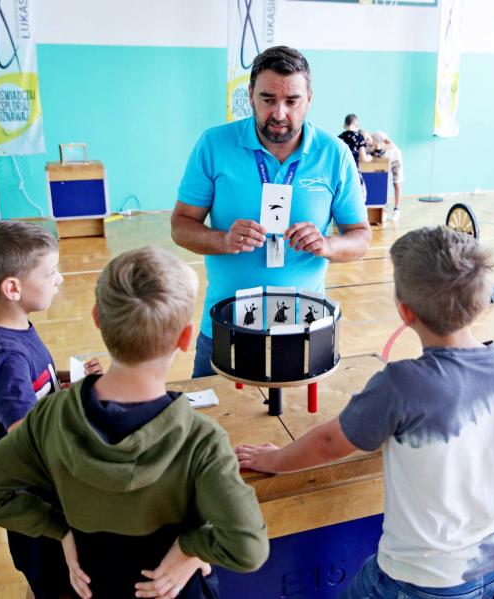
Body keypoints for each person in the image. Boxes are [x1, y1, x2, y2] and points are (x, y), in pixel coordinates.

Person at [0, 245, 270, 599]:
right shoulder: (202, 441)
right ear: (184, 338)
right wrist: (190, 548)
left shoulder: (49, 417)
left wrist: (59, 529)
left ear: (97, 319)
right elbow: (248, 549)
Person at [236, 227, 494, 599]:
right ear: (483, 300)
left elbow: (329, 443)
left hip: (426, 580)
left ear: (405, 312)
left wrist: (274, 459)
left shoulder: (402, 384)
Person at [171, 45, 371, 378]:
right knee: (216, 412)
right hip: (226, 327)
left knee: (300, 415)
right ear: (250, 95)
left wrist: (327, 245)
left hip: (305, 331)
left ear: (309, 99)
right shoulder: (214, 145)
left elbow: (361, 237)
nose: (279, 113)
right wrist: (223, 240)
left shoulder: (334, 154)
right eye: (268, 99)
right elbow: (180, 226)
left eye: (292, 101)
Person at [0, 220, 102, 598]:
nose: (60, 279)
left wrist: (70, 381)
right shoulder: (4, 356)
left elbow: (36, 386)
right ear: (13, 288)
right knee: (56, 581)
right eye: (50, 272)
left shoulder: (14, 327)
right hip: (38, 498)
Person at [371, 131, 404, 222]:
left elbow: (391, 145)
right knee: (383, 184)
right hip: (385, 161)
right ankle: (383, 211)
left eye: (368, 139)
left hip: (395, 157)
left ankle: (397, 209)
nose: (367, 142)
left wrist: (380, 146)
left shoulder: (378, 135)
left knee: (396, 182)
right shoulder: (365, 146)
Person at [338, 113, 372, 201]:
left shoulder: (339, 138)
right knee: (362, 195)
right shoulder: (359, 137)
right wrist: (369, 158)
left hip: (341, 172)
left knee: (344, 196)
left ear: (345, 124)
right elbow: (363, 158)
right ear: (356, 124)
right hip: (354, 171)